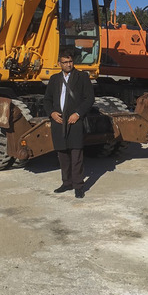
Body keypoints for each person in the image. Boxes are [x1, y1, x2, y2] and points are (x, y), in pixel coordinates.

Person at [43, 49, 95, 198]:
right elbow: (47, 99)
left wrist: (78, 113)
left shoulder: (82, 77)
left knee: (76, 154)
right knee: (62, 155)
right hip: (58, 122)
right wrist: (52, 113)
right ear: (59, 63)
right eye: (65, 62)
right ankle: (67, 183)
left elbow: (89, 99)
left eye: (70, 62)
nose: (68, 65)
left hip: (75, 121)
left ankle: (78, 186)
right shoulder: (54, 79)